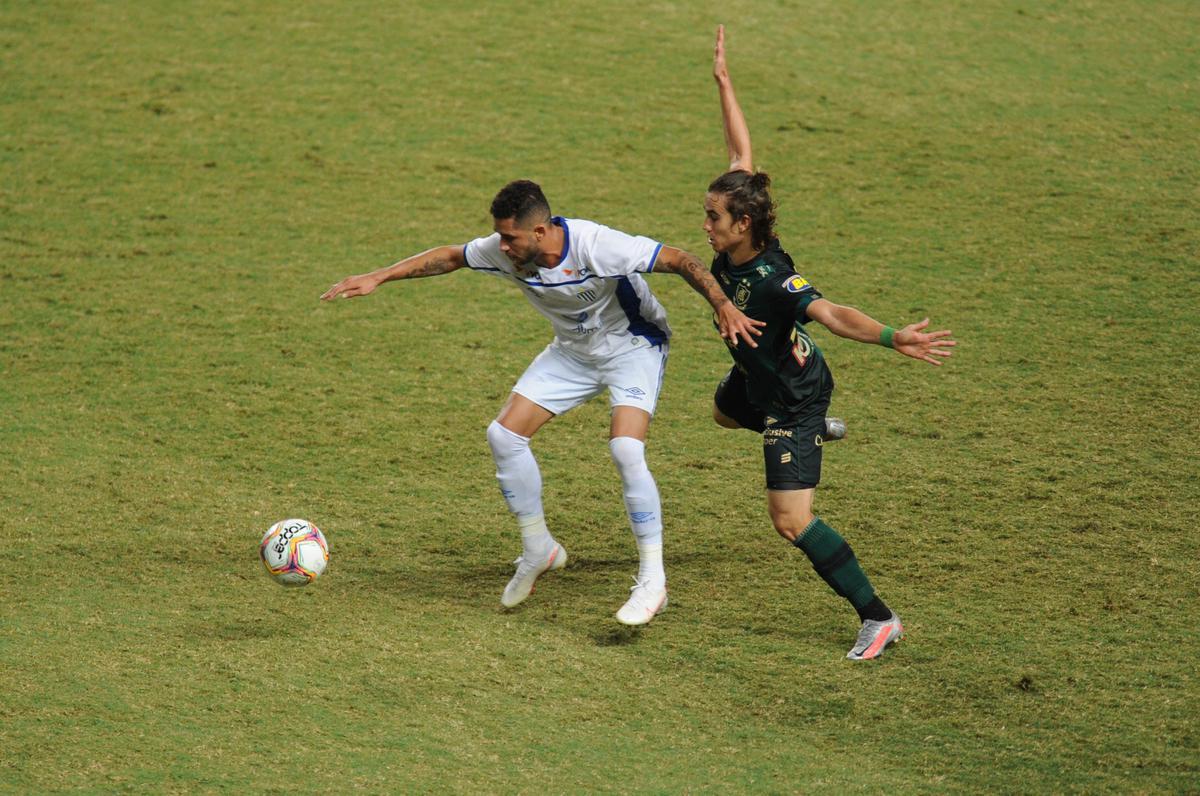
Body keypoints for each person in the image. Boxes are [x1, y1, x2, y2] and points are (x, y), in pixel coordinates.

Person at [322, 179, 761, 625]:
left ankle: (653, 580)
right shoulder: (505, 249)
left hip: (633, 347)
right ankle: (539, 548)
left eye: (510, 238)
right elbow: (451, 256)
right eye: (500, 237)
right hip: (573, 353)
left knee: (626, 449)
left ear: (539, 232)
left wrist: (723, 304)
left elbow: (680, 260)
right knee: (504, 435)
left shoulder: (597, 245)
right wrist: (379, 275)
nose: (502, 247)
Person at [704, 26, 956, 659]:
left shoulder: (775, 282)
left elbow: (835, 313)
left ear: (743, 225)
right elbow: (741, 150)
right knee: (721, 412)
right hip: (759, 380)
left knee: (789, 521)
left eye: (713, 217)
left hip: (792, 398)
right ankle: (820, 431)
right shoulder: (741, 221)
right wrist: (726, 85)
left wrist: (896, 337)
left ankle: (879, 616)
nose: (704, 224)